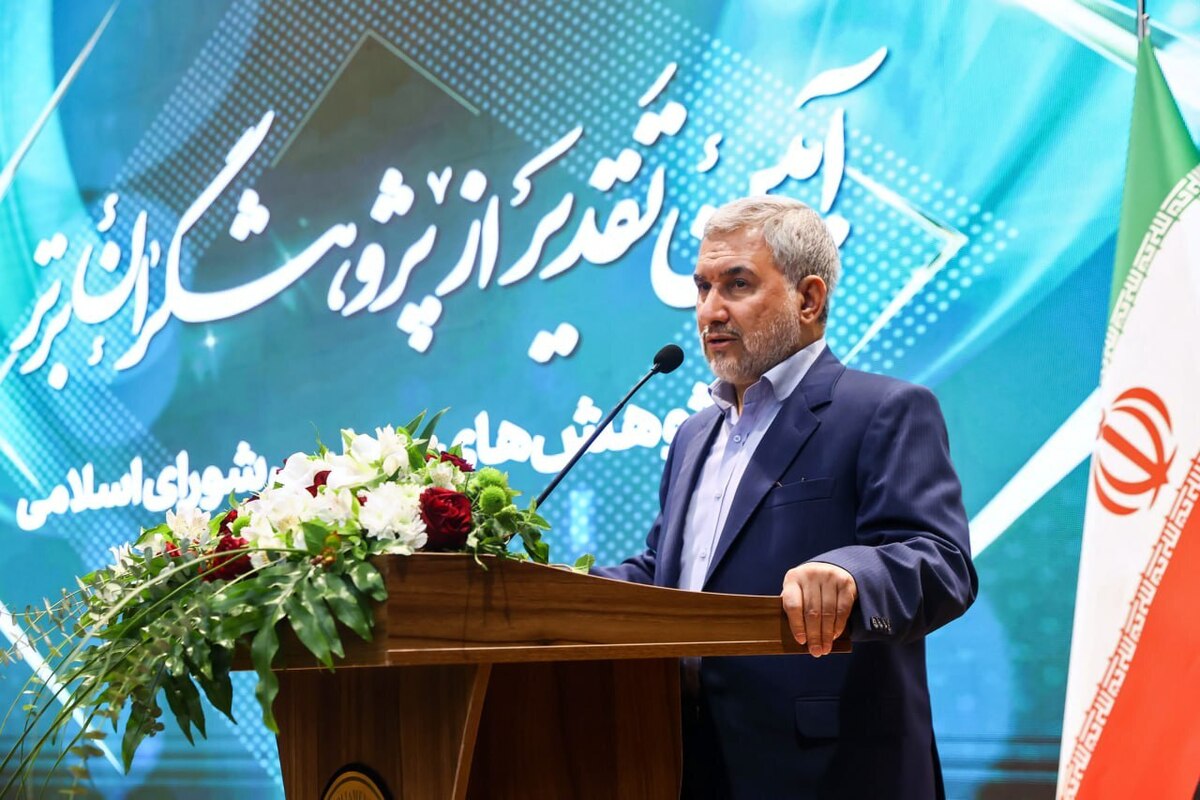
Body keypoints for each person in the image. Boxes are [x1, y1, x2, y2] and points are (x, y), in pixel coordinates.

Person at [594, 196, 977, 799]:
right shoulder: (694, 435)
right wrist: (555, 585)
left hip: (828, 771)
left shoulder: (884, 410)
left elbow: (942, 564)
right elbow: (669, 573)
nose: (710, 311)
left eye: (737, 284)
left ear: (809, 299)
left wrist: (849, 573)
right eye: (701, 288)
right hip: (683, 760)